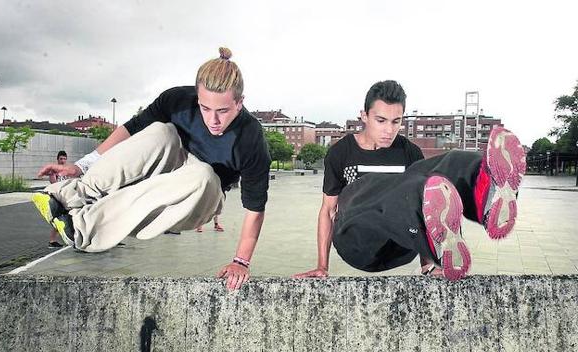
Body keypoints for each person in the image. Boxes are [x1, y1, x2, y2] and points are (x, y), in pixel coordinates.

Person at [32, 47, 271, 290]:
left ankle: (82, 227)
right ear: (197, 96)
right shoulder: (177, 100)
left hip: (203, 196)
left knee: (202, 174)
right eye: (205, 108)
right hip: (172, 168)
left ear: (240, 103)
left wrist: (241, 261)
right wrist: (82, 165)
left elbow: (255, 209)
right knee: (162, 132)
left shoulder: (250, 139)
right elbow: (132, 128)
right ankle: (72, 194)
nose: (213, 120)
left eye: (223, 111)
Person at [294, 80, 525, 281]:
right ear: (364, 116)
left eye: (396, 121)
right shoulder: (341, 152)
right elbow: (328, 211)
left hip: (403, 244)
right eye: (381, 120)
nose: (389, 130)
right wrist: (322, 266)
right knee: (375, 188)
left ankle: (485, 189)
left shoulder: (408, 151)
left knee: (439, 169)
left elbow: (430, 204)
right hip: (357, 243)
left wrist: (429, 264)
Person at [48, 151, 69, 248]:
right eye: (61, 159)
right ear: (57, 159)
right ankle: (52, 241)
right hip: (58, 197)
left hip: (67, 196)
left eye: (64, 158)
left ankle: (74, 237)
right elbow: (54, 184)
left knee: (71, 217)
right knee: (58, 219)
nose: (63, 160)